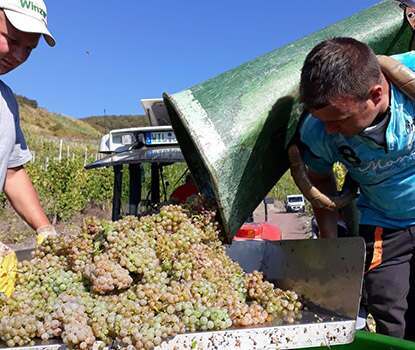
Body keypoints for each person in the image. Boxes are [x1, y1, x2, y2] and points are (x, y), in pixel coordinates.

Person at [298, 37, 415, 340]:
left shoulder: (410, 73)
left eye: (339, 119)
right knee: (389, 308)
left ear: (375, 95)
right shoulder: (318, 130)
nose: (329, 130)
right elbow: (320, 180)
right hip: (384, 224)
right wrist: (329, 247)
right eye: (322, 121)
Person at [0, 0, 56, 253]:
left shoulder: (6, 101)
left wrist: (45, 229)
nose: (19, 57)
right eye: (11, 40)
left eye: (29, 49)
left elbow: (12, 172)